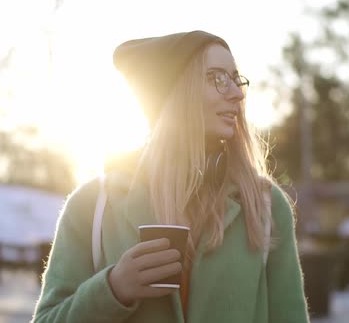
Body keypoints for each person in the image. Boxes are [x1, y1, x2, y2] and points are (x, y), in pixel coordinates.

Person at [32, 30, 309, 323]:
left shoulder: (265, 205)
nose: (237, 94)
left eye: (236, 79)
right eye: (217, 78)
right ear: (175, 92)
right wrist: (113, 288)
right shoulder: (93, 206)